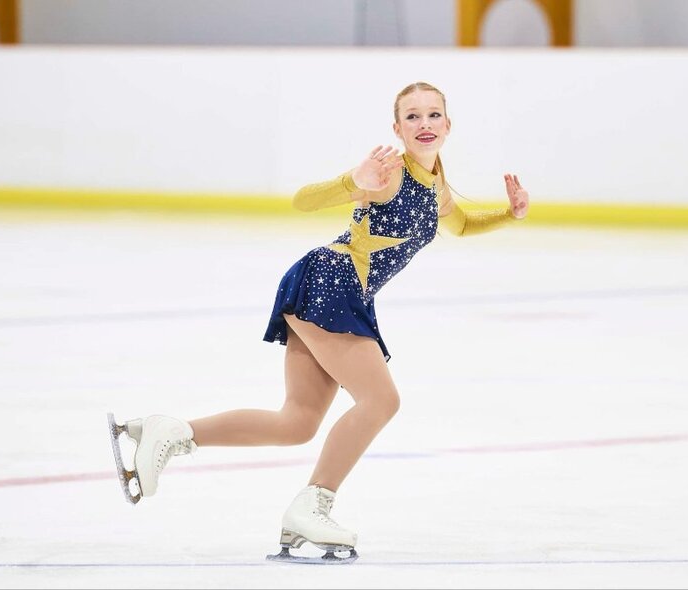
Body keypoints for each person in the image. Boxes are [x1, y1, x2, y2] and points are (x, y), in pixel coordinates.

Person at [108, 81, 529, 563]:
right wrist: (355, 180)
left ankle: (171, 430)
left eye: (433, 115)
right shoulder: (389, 173)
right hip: (333, 281)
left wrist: (509, 215)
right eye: (412, 117)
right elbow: (304, 201)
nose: (424, 125)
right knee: (382, 400)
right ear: (397, 128)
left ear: (448, 125)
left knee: (298, 422)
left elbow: (464, 225)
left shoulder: (436, 185)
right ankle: (314, 504)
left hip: (336, 288)